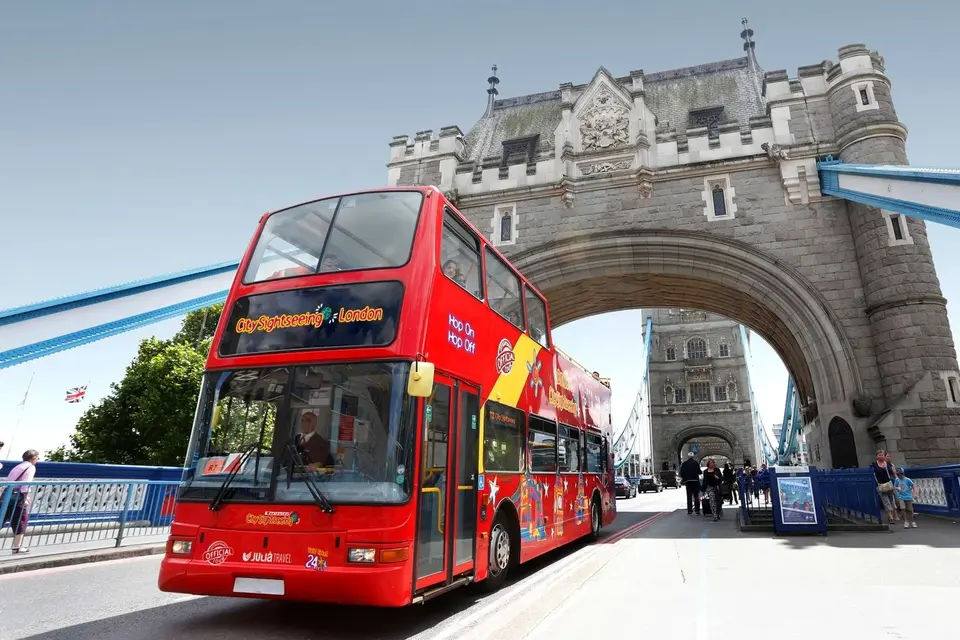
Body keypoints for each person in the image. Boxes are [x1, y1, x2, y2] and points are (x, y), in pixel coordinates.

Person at [3, 449, 39, 553]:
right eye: (37, 458)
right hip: (18, 497)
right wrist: (25, 497)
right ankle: (17, 547)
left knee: (2, 518)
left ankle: (17, 546)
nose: (37, 460)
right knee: (21, 520)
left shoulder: (17, 466)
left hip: (7, 495)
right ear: (33, 458)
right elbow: (26, 483)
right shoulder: (30, 467)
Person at [871, 449, 897, 525]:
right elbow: (872, 473)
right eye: (879, 455)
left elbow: (893, 473)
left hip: (889, 484)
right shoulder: (874, 465)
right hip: (880, 485)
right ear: (876, 456)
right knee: (886, 501)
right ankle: (891, 517)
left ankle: (891, 514)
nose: (881, 456)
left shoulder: (888, 464)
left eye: (882, 455)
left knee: (891, 500)